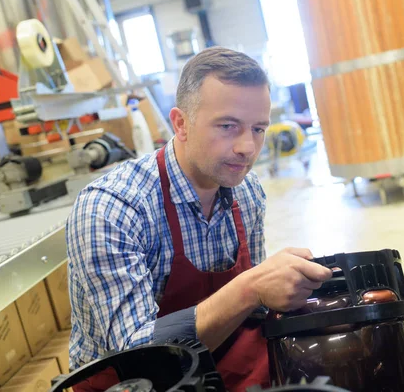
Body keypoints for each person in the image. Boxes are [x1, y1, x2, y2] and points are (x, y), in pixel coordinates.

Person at [65, 47, 332, 392]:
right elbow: (134, 355)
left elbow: (249, 317)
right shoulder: (113, 210)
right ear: (181, 124)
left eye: (258, 129)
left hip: (223, 363)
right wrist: (252, 288)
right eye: (228, 126)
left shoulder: (246, 191)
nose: (247, 147)